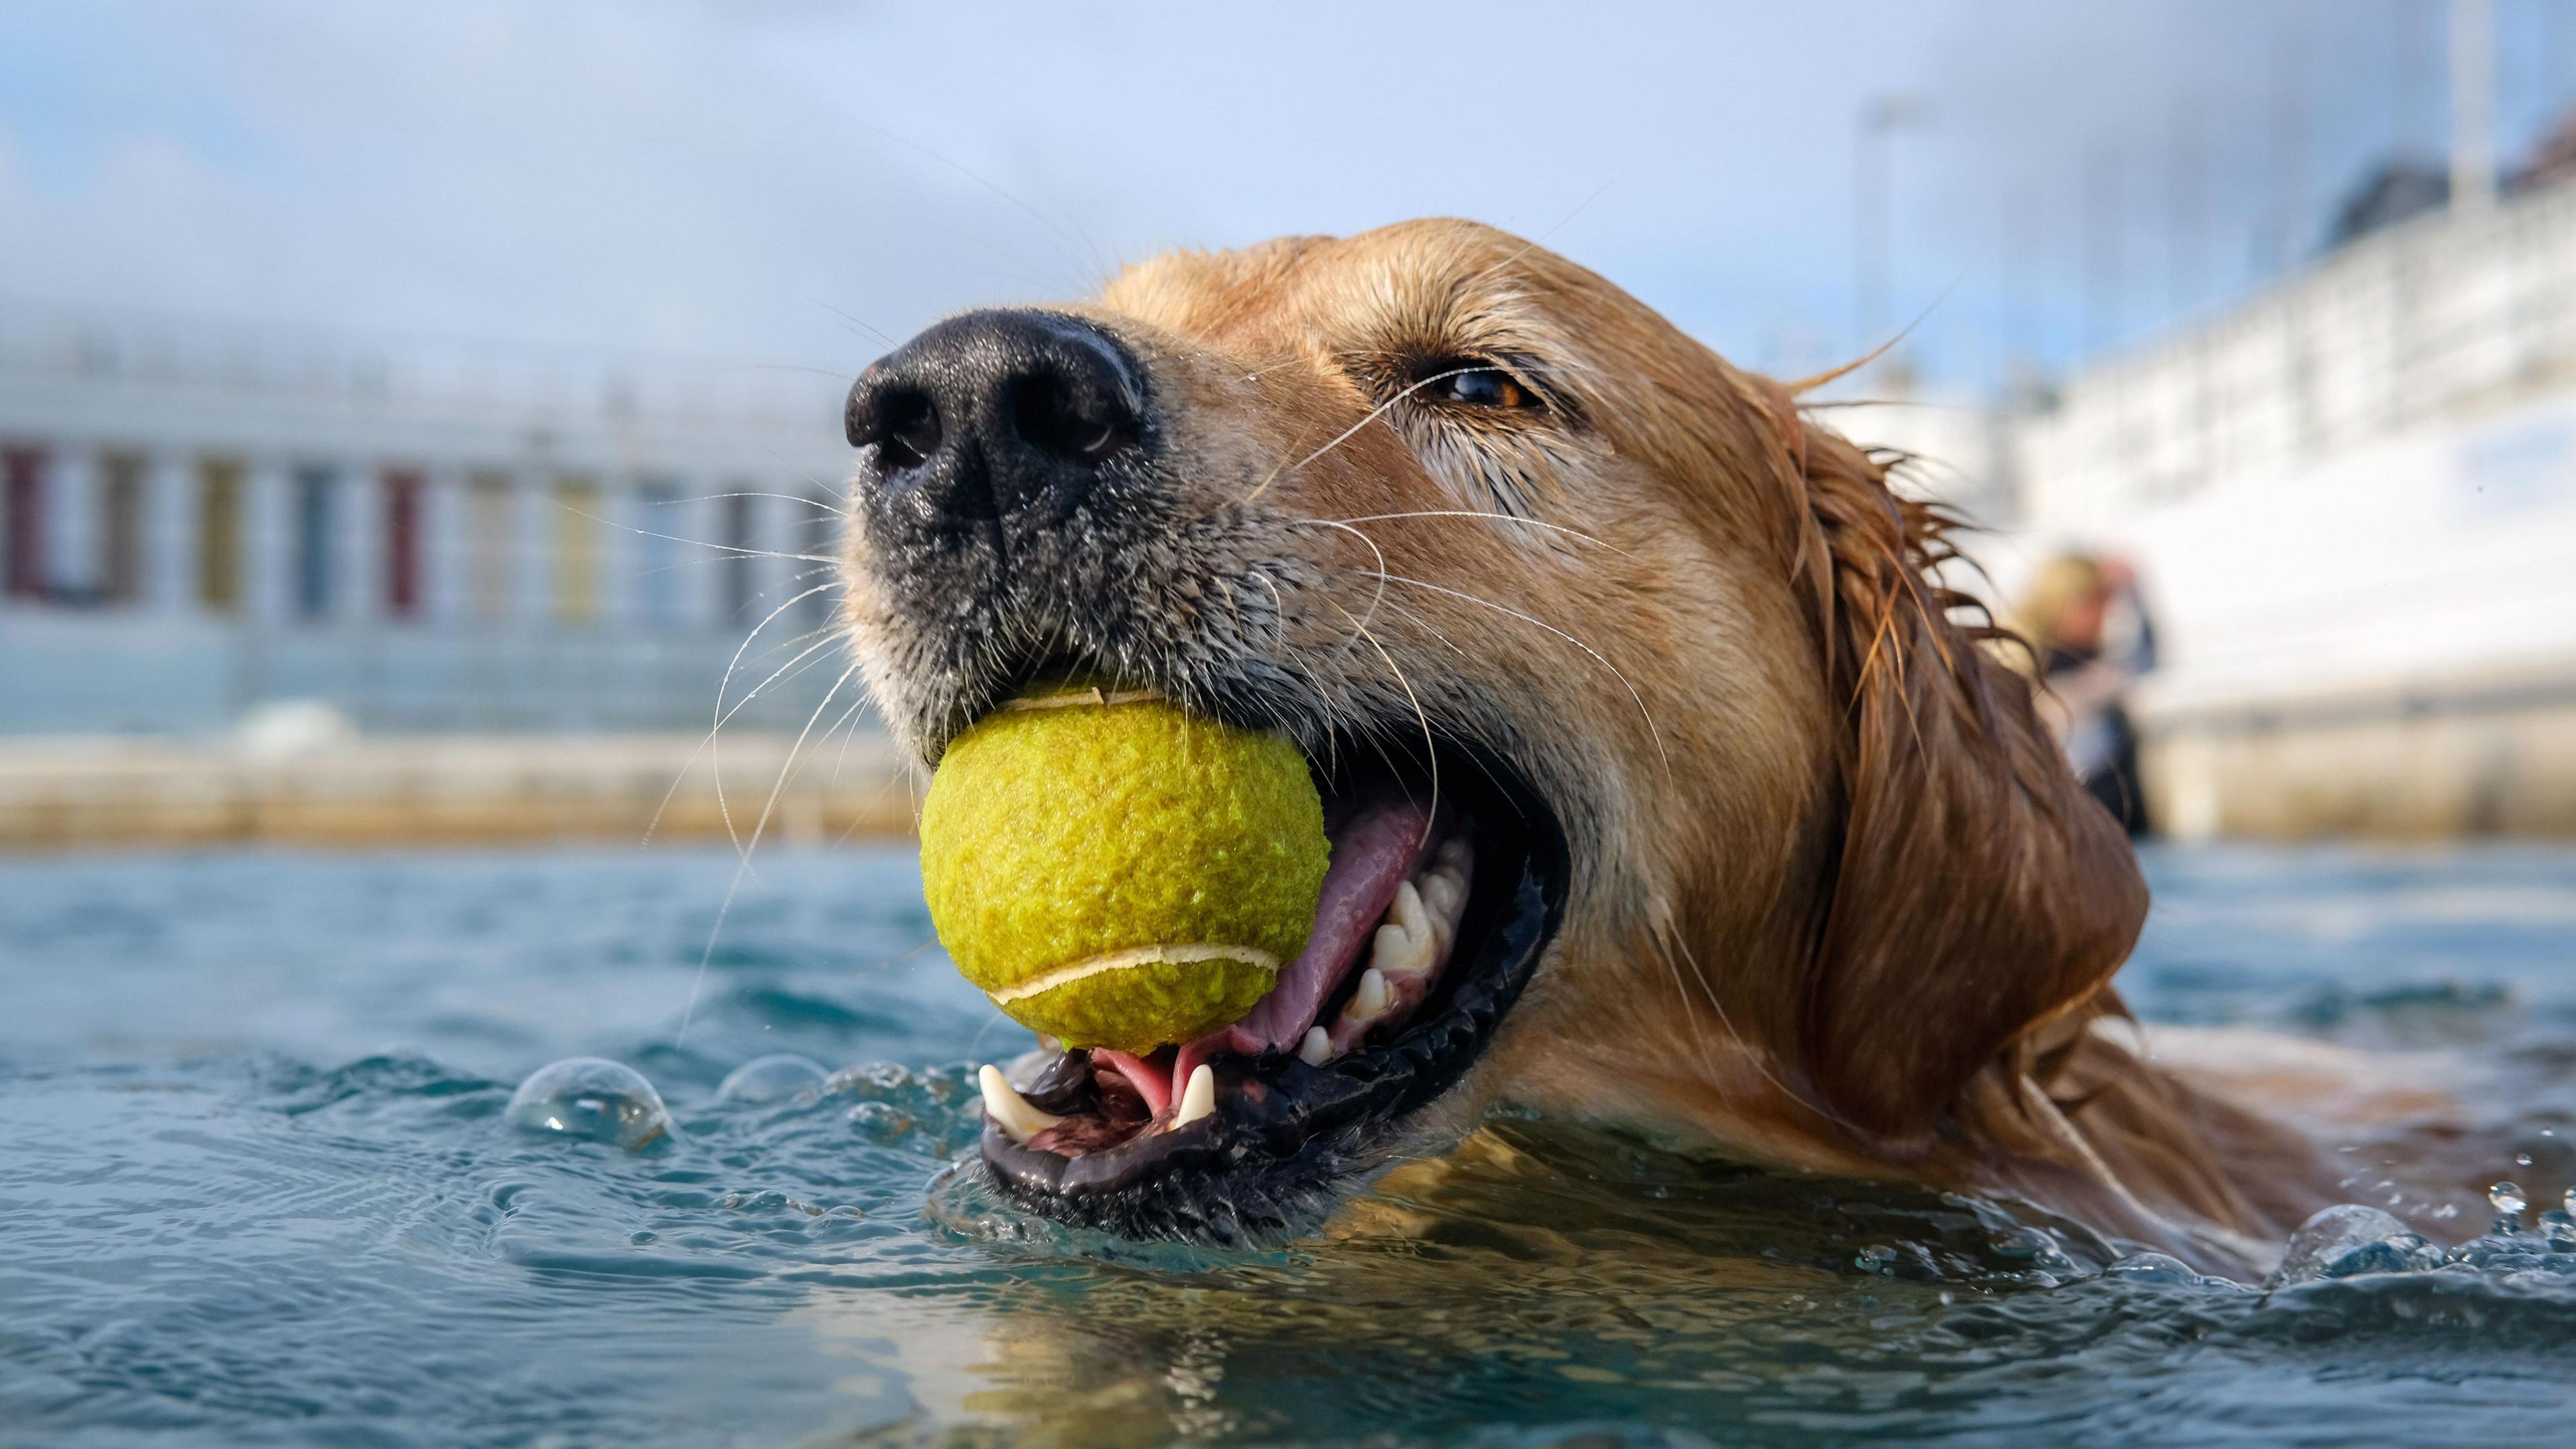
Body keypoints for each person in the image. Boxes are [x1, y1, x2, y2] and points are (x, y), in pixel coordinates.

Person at [2014, 551, 2155, 836]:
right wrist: (2079, 694)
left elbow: (2146, 661)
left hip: (2117, 827)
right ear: (2063, 603)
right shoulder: (2035, 661)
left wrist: (2135, 594)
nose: (2105, 614)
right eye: (2096, 603)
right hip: (2079, 830)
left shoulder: (2086, 655)